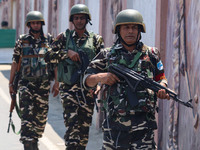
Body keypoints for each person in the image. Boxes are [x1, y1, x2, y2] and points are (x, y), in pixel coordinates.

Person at [83, 9, 170, 150]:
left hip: (144, 129)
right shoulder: (107, 55)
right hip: (115, 128)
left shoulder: (152, 54)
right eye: (126, 27)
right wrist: (101, 77)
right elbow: (87, 80)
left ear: (140, 30)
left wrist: (162, 87)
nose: (130, 31)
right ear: (119, 30)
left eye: (134, 27)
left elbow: (161, 77)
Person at [44, 4, 104, 150]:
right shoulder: (64, 37)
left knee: (83, 133)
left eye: (82, 18)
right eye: (76, 18)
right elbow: (47, 55)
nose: (79, 21)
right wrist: (66, 53)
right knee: (72, 131)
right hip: (69, 90)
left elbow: (104, 64)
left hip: (87, 91)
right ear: (72, 20)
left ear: (87, 19)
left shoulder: (96, 40)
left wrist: (98, 85)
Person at [9, 11, 58, 150]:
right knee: (27, 120)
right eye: (33, 23)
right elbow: (15, 62)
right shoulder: (22, 40)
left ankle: (33, 142)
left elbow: (54, 63)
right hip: (26, 85)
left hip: (43, 86)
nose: (35, 25)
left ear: (41, 24)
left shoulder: (48, 40)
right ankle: (29, 145)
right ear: (29, 24)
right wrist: (10, 83)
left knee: (40, 122)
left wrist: (57, 83)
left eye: (38, 23)